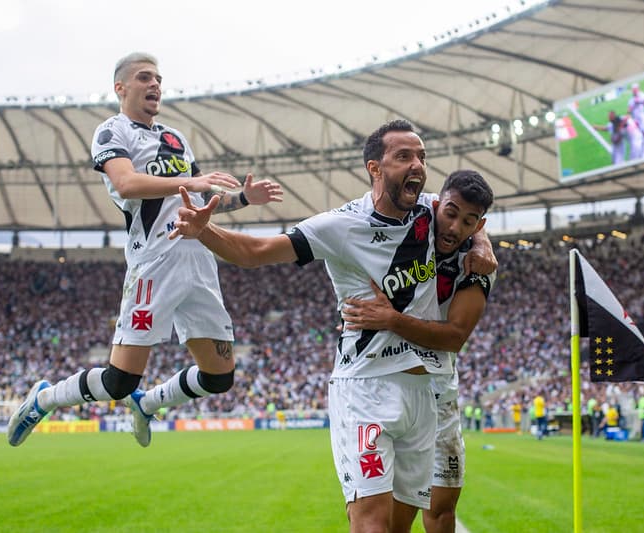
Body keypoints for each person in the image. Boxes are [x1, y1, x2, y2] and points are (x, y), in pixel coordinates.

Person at [170, 119, 497, 533]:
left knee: (398, 526)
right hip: (366, 388)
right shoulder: (340, 226)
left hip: (423, 395)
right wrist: (206, 232)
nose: (417, 164)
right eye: (403, 156)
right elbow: (256, 252)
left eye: (421, 156)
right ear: (374, 168)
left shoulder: (434, 212)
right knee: (371, 524)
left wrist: (483, 244)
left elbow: (470, 222)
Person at [6, 52, 283, 448]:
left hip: (199, 260)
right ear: (121, 87)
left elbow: (198, 198)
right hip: (155, 262)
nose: (155, 85)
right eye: (144, 77)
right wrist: (193, 180)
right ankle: (45, 397)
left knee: (220, 377)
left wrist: (242, 198)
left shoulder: (175, 138)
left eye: (158, 78)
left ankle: (149, 404)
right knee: (119, 380)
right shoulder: (111, 132)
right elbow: (127, 185)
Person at [339, 169, 495, 533]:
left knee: (441, 510)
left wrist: (483, 242)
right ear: (437, 205)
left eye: (470, 222)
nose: (456, 227)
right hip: (385, 387)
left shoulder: (478, 264)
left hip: (440, 393)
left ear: (479, 224)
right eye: (451, 214)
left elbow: (455, 336)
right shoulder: (411, 221)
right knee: (379, 513)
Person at [627, 83, 644, 158]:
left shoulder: (643, 95)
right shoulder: (631, 100)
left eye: (635, 89)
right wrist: (631, 108)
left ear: (638, 89)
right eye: (633, 90)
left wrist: (640, 101)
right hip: (635, 119)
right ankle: (640, 150)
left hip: (642, 117)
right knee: (638, 135)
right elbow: (629, 110)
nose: (634, 91)